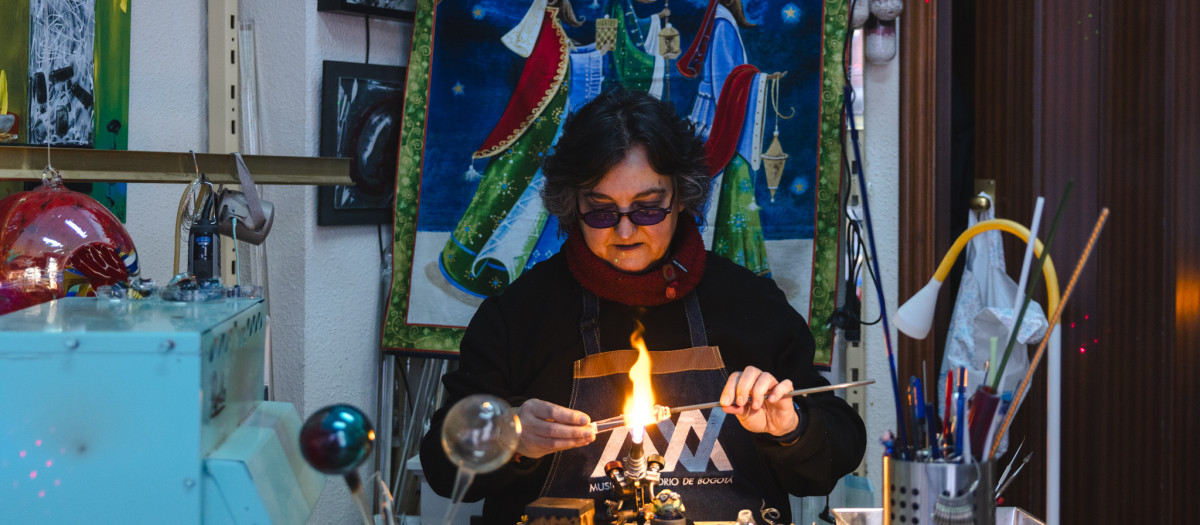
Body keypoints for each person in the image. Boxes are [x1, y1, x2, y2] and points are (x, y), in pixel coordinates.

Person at [420, 88, 865, 524]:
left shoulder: (750, 303)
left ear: (683, 197)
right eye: (601, 211)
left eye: (648, 209)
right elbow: (443, 467)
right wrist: (508, 436)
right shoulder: (519, 315)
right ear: (571, 204)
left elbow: (836, 452)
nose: (627, 231)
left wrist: (791, 429)